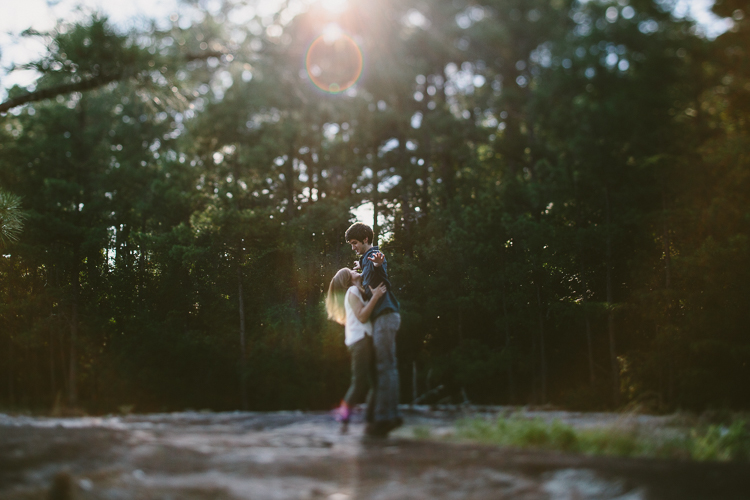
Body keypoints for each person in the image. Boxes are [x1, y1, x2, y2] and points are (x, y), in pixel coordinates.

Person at [345, 222, 402, 437]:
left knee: (385, 366)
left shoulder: (375, 255)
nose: (353, 247)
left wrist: (378, 265)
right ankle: (390, 415)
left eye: (355, 243)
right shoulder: (364, 261)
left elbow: (381, 272)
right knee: (386, 366)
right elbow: (370, 275)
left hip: (385, 315)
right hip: (382, 318)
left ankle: (386, 418)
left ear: (366, 239)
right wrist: (363, 269)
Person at [326, 267, 387, 433]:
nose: (354, 270)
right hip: (359, 341)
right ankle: (344, 416)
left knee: (376, 381)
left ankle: (370, 417)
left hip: (363, 339)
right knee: (360, 382)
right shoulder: (352, 290)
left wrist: (365, 270)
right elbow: (362, 316)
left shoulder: (357, 291)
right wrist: (375, 296)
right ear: (349, 280)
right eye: (351, 271)